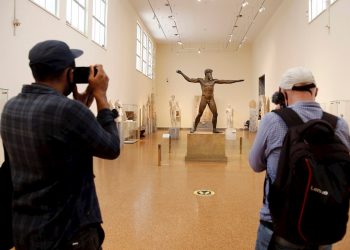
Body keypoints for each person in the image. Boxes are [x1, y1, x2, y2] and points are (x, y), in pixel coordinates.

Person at [0, 40, 120, 250]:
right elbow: (111, 147)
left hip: (25, 230)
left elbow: (52, 143)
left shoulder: (10, 108)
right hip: (67, 233)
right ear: (69, 74)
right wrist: (101, 97)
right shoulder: (68, 111)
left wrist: (81, 108)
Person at [249, 67, 350, 250]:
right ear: (316, 91)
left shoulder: (273, 121)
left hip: (280, 224)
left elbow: (255, 164)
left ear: (282, 93)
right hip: (324, 226)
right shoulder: (339, 125)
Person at [176, 69, 244, 133]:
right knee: (200, 114)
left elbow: (225, 81)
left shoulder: (213, 81)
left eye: (211, 73)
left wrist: (237, 81)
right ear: (206, 74)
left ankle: (214, 129)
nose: (211, 74)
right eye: (210, 73)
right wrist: (181, 73)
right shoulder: (201, 80)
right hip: (204, 98)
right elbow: (189, 79)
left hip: (211, 99)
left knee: (215, 114)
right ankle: (194, 128)